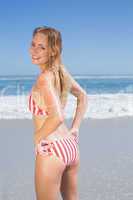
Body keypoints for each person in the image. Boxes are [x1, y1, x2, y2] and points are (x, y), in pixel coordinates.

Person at [28, 26, 88, 200]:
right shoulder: (61, 72)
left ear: (53, 51)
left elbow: (57, 117)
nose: (34, 50)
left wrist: (36, 138)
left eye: (42, 47)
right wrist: (75, 129)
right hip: (70, 146)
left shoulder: (43, 79)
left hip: (51, 150)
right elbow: (83, 97)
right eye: (33, 44)